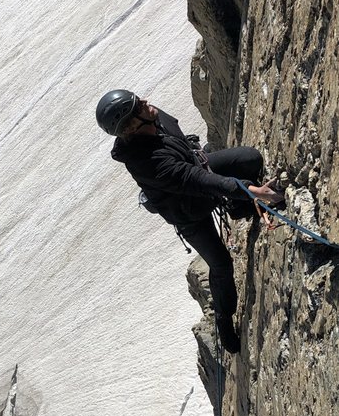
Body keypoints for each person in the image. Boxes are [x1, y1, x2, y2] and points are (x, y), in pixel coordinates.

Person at [95, 89, 284, 353]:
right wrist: (255, 192)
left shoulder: (154, 119)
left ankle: (239, 208)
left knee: (249, 159)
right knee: (221, 265)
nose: (146, 102)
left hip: (196, 167)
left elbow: (198, 171)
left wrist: (242, 191)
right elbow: (200, 182)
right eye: (138, 105)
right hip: (188, 214)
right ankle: (223, 319)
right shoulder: (148, 162)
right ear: (131, 124)